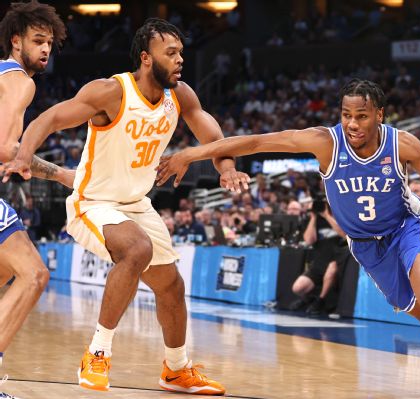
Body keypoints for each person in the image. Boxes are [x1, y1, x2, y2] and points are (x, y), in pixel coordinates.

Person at [157, 78, 420, 398]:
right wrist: (190, 153)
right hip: (365, 245)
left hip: (405, 227)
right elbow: (255, 142)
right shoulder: (325, 142)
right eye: (346, 115)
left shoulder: (401, 144)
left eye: (361, 116)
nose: (352, 123)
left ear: (379, 113)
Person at [4, 18, 248, 395]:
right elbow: (49, 119)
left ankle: (176, 369)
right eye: (172, 53)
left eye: (181, 51)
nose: (181, 58)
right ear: (147, 58)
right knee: (136, 249)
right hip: (92, 202)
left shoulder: (180, 95)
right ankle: (97, 352)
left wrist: (227, 167)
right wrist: (23, 155)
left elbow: (213, 135)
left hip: (136, 204)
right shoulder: (111, 92)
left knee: (171, 286)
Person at [0, 2, 71, 397]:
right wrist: (62, 174)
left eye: (50, 43)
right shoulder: (20, 81)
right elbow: (6, 148)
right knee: (34, 274)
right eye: (38, 41)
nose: (46, 49)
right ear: (16, 40)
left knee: (5, 274)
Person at [291, 196, 347, 315]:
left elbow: (344, 234)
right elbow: (309, 240)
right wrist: (314, 217)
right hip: (320, 260)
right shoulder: (313, 221)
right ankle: (308, 299)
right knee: (297, 287)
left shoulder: (339, 216)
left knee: (331, 268)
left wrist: (327, 216)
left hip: (337, 258)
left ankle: (320, 301)